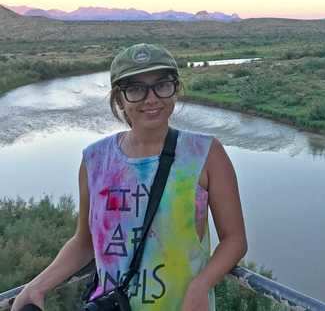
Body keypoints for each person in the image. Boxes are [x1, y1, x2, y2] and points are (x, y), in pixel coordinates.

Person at [11, 43, 247, 310]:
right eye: (135, 89)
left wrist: (200, 285)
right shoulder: (95, 160)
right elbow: (84, 242)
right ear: (119, 98)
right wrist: (37, 285)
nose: (151, 98)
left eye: (162, 84)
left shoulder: (205, 153)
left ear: (175, 89)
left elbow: (235, 240)